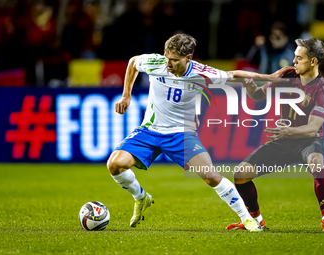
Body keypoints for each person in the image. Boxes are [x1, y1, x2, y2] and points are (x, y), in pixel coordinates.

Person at [107, 33, 284, 231]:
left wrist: (269, 77)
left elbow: (234, 75)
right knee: (114, 164)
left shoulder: (202, 72)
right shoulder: (156, 62)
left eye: (174, 60)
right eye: (167, 58)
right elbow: (133, 62)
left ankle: (247, 219)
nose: (169, 64)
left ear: (188, 58)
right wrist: (126, 96)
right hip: (150, 130)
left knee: (211, 176)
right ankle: (141, 198)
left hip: (181, 134)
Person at [226, 38, 324, 231]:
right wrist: (251, 87)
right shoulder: (287, 74)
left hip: (308, 141)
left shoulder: (323, 89)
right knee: (241, 174)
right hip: (283, 140)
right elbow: (260, 95)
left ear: (313, 61)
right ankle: (256, 221)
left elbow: (312, 128)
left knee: (316, 163)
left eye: (299, 58)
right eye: (295, 57)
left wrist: (288, 130)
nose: (294, 62)